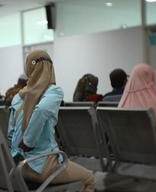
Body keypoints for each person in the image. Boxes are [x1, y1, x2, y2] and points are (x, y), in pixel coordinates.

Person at [8, 50, 95, 191]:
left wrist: (17, 151)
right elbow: (42, 110)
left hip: (19, 167)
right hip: (44, 165)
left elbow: (10, 132)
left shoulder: (18, 96)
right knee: (89, 179)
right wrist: (28, 141)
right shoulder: (54, 92)